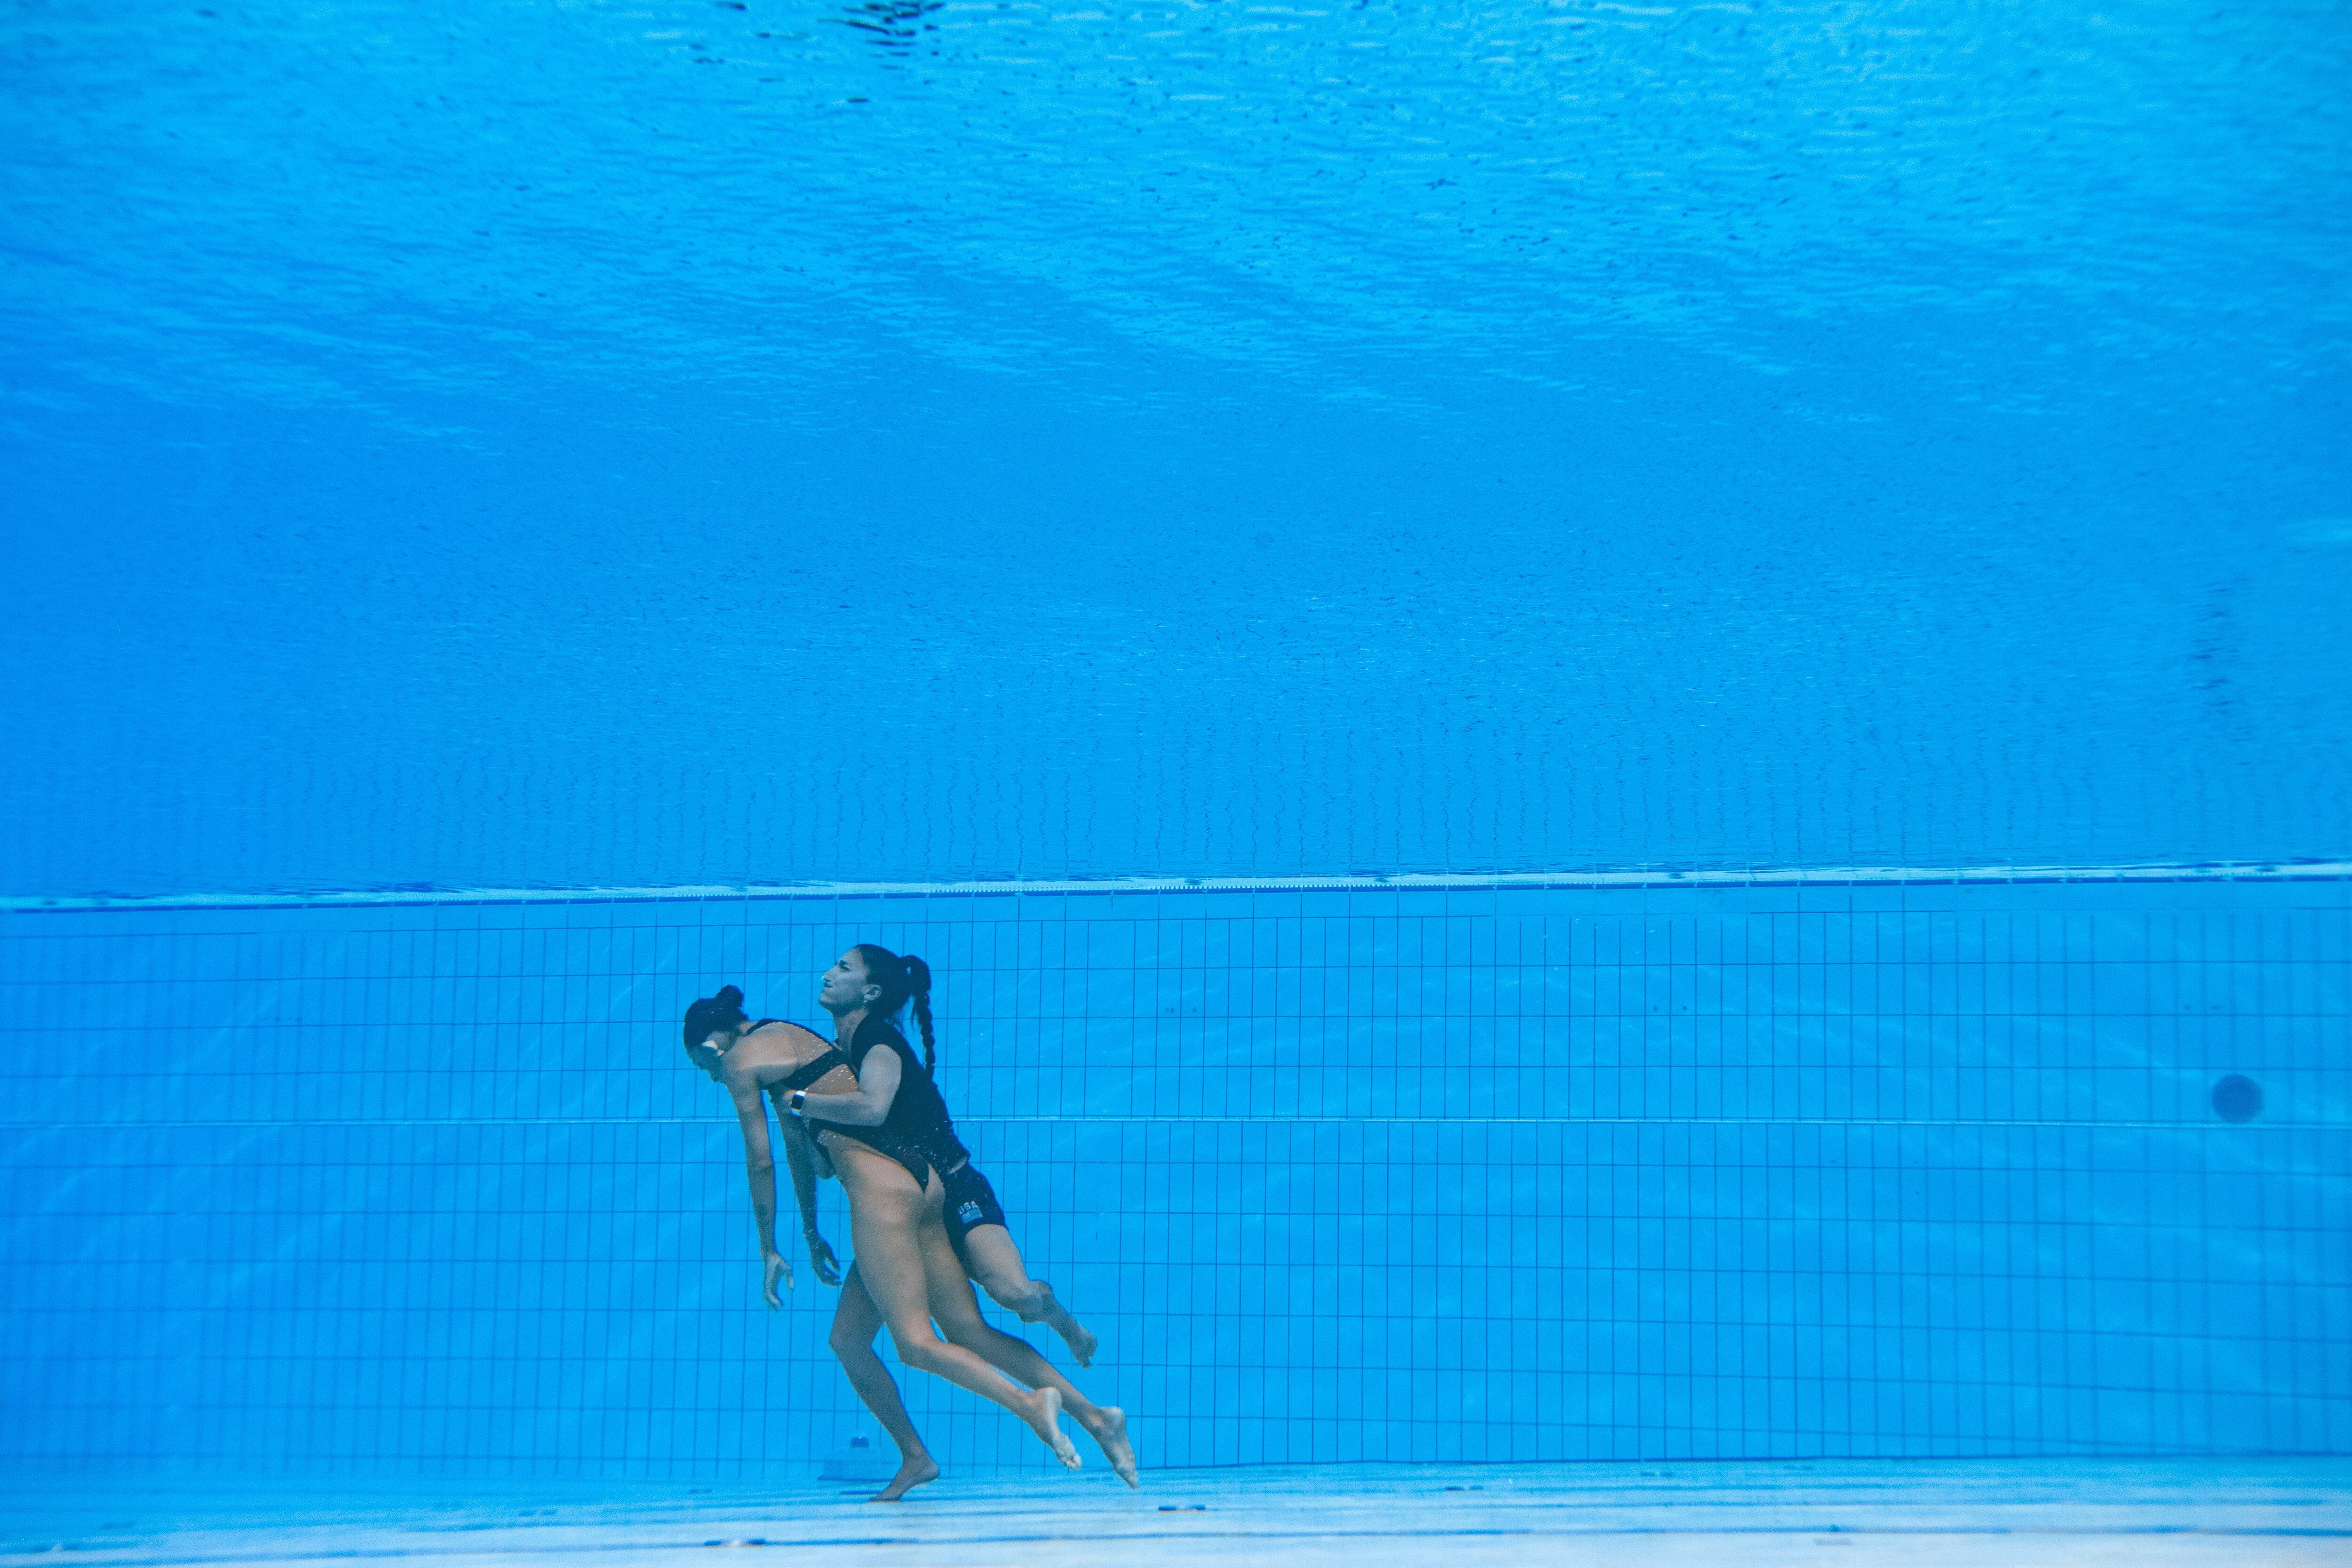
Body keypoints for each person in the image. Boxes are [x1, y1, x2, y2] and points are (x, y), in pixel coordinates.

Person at [682, 965, 1134, 1497]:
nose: (715, 1078)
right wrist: (808, 1229)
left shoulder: (738, 1061)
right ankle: (1082, 1421)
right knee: (865, 1338)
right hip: (922, 1185)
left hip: (882, 1197)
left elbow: (760, 1163)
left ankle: (1030, 1405)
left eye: (704, 1068)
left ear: (713, 1046)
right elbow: (801, 1155)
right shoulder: (792, 1040)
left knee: (916, 1343)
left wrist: (768, 1250)